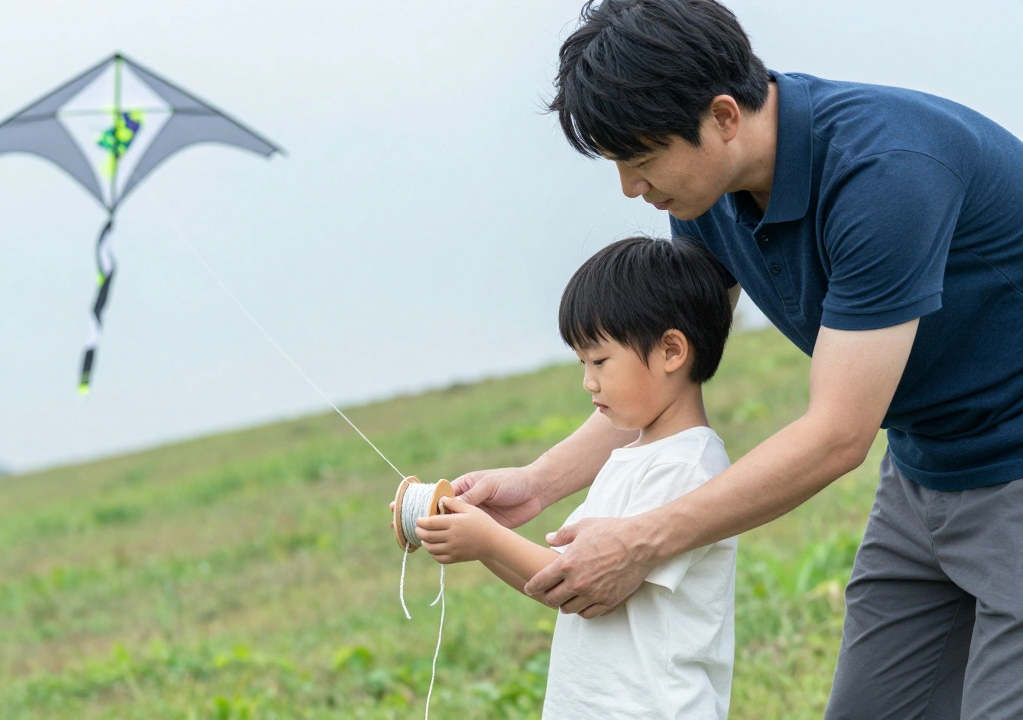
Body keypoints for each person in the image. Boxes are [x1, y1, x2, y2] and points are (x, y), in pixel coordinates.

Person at [453, 1, 1023, 716]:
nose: (630, 188)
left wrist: (640, 542)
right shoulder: (706, 197)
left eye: (641, 159)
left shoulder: (884, 176)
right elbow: (665, 377)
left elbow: (837, 436)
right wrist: (537, 485)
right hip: (924, 465)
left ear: (723, 116)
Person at [415, 236, 736, 719]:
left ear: (671, 350)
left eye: (599, 360)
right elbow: (557, 583)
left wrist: (485, 539)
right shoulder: (628, 457)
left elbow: (574, 580)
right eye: (583, 363)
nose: (588, 381)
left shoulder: (686, 466)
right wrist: (479, 537)